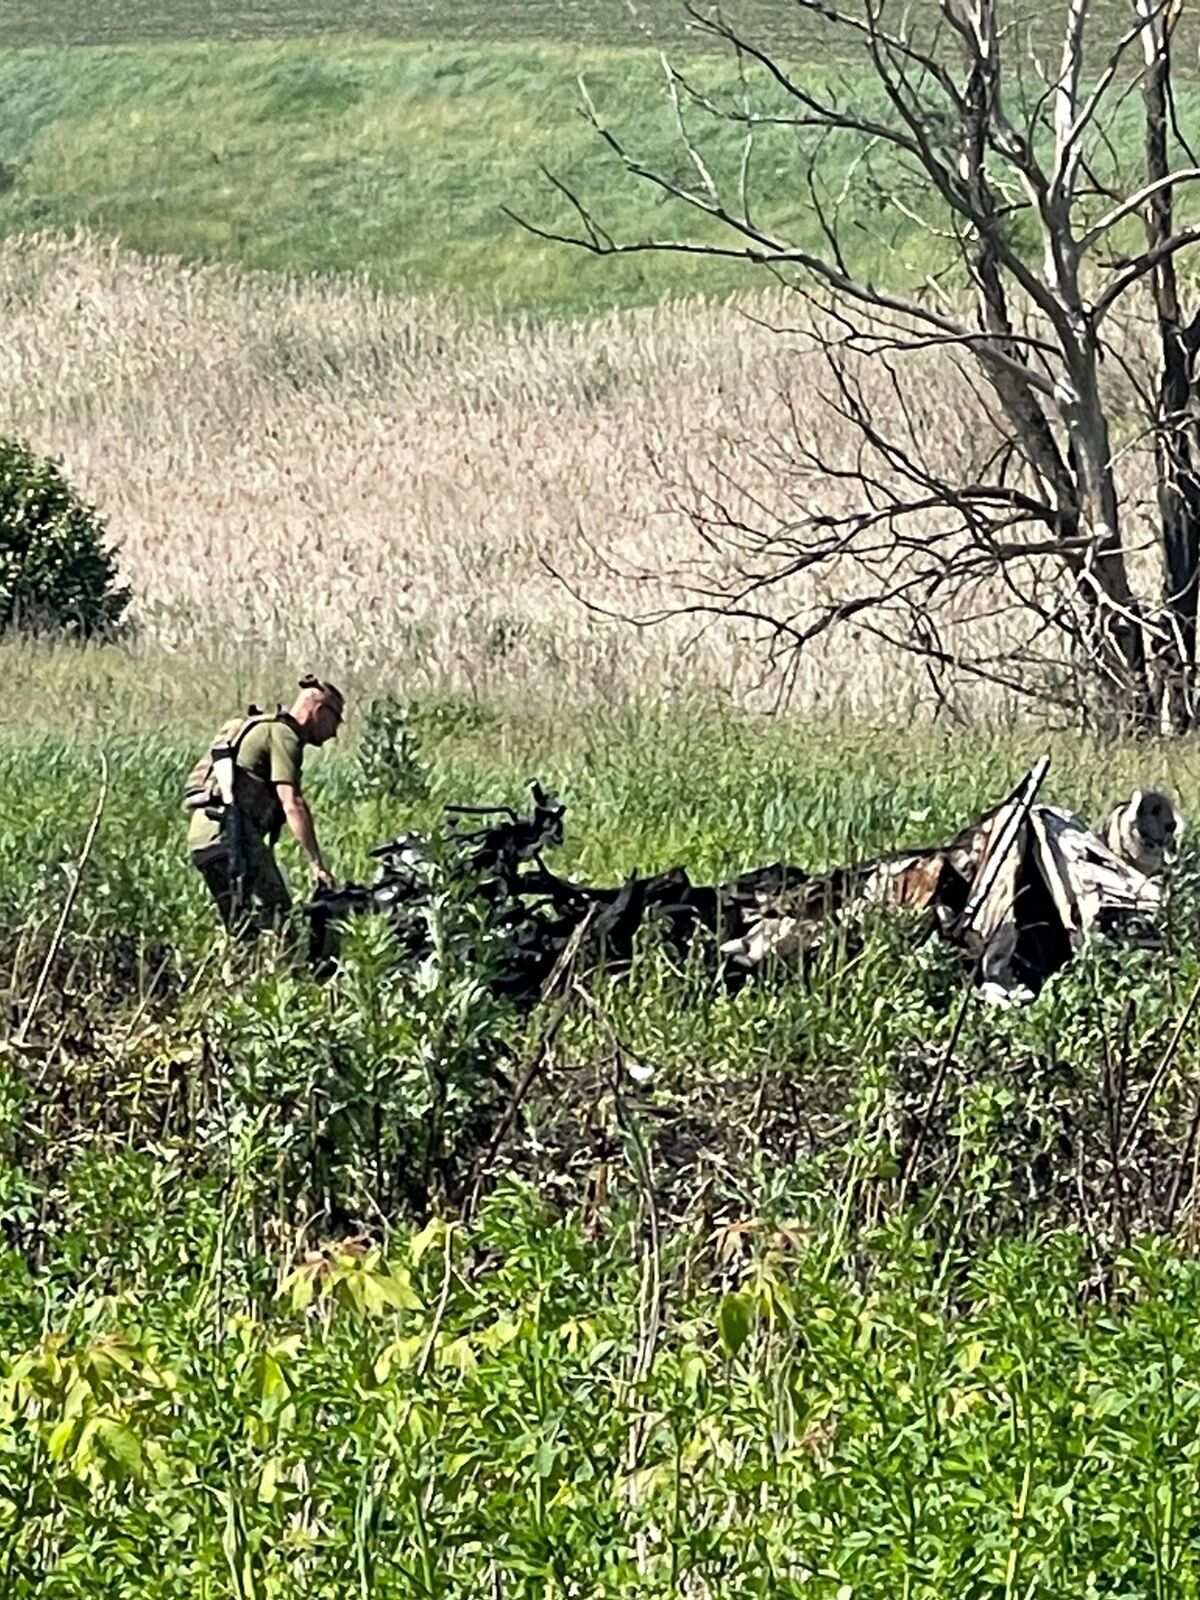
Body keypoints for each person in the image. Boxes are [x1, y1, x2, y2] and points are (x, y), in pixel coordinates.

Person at [186, 675, 344, 934]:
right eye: (335, 720)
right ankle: (289, 968)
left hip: (204, 836)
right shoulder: (284, 734)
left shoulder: (263, 727)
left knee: (238, 923)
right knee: (280, 916)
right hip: (230, 835)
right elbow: (291, 802)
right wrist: (316, 863)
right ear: (319, 711)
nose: (334, 732)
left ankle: (237, 968)